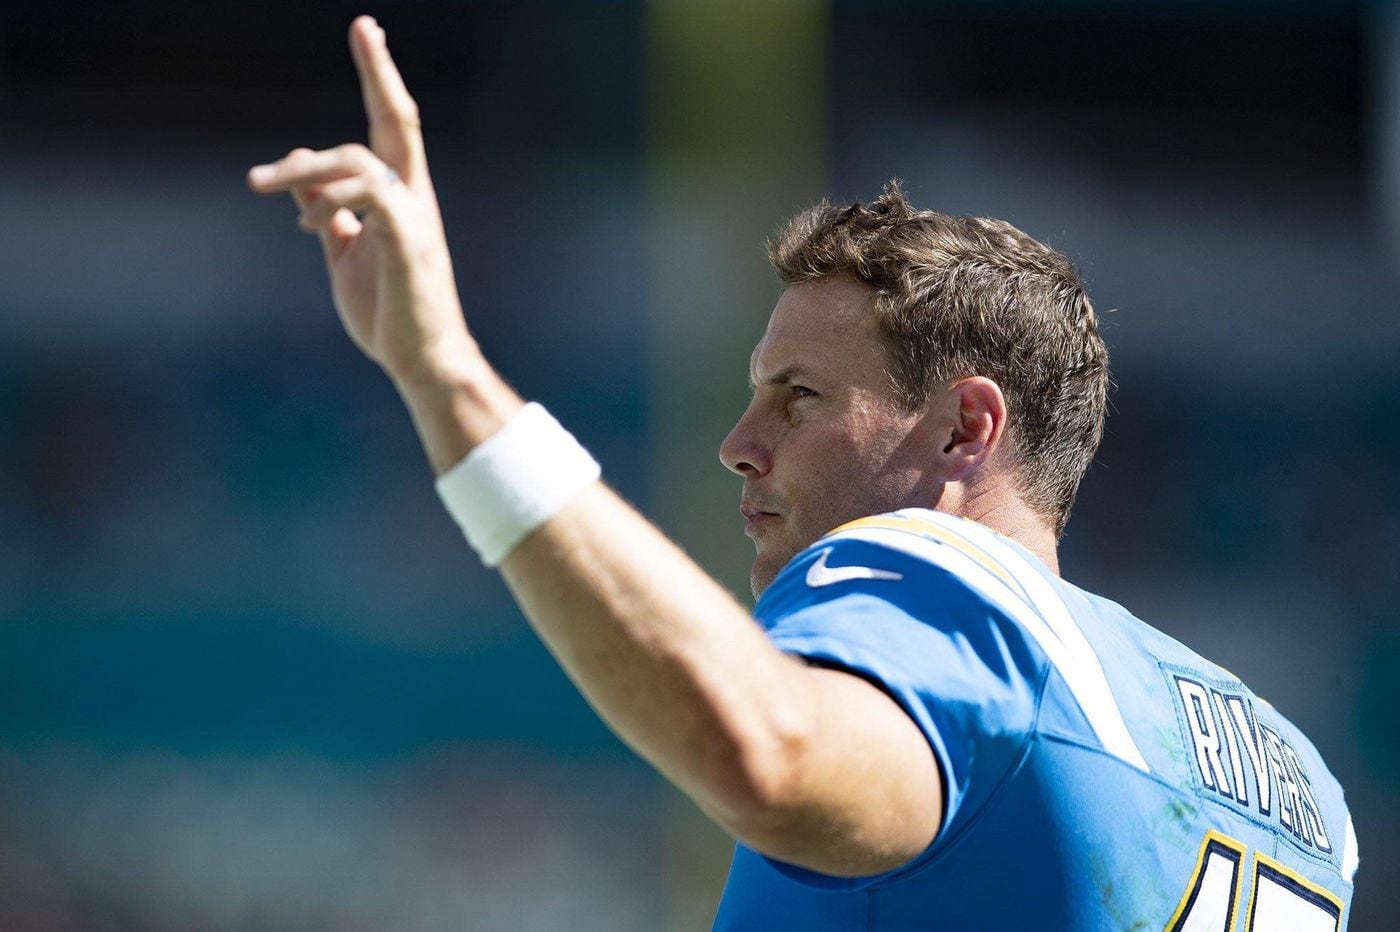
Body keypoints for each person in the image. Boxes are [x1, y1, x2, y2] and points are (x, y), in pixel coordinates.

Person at [247, 16, 1359, 929]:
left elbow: (767, 748)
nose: (738, 441)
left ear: (964, 432)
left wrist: (446, 375)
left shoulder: (953, 596)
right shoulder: (1301, 783)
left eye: (800, 395)